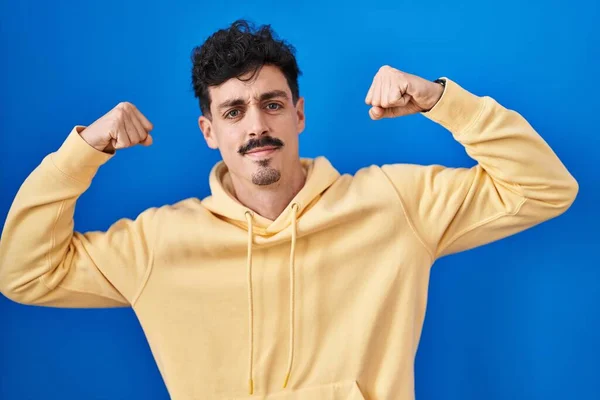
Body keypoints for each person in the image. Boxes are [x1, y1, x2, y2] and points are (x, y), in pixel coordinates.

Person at [0, 19, 578, 400]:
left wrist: (441, 102)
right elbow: (24, 273)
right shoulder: (157, 244)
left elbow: (545, 187)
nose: (257, 125)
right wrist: (81, 153)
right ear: (209, 132)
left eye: (271, 104)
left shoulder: (395, 203)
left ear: (298, 114)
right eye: (233, 112)